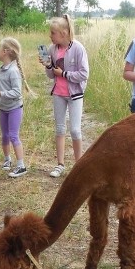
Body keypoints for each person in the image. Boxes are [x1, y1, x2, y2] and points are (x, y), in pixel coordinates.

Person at [41, 14, 89, 178]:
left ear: (63, 33)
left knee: (75, 130)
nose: (50, 36)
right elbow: (51, 75)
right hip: (58, 93)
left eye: (53, 33)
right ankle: (60, 164)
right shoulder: (52, 49)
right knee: (60, 128)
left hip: (74, 94)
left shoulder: (78, 48)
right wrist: (48, 66)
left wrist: (65, 74)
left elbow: (84, 74)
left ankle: (79, 166)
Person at [0, 37, 31, 178]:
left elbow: (17, 92)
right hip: (3, 108)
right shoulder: (2, 68)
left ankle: (21, 166)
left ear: (5, 52)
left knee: (13, 135)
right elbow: (2, 85)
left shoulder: (13, 71)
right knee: (4, 135)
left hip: (14, 108)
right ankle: (7, 160)